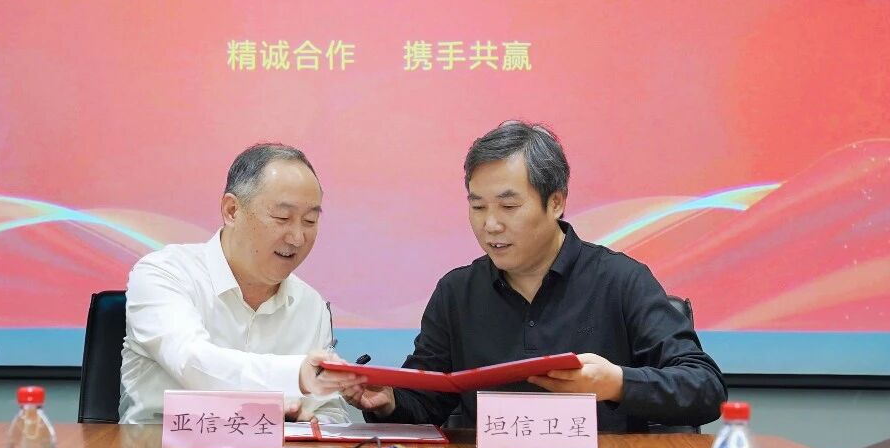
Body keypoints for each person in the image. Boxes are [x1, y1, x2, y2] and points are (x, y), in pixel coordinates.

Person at [344, 121, 726, 431]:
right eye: (478, 207)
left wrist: (616, 383)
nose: (490, 225)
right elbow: (426, 403)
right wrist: (389, 401)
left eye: (509, 206)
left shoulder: (621, 281)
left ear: (556, 202)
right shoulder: (456, 293)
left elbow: (705, 387)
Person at [119, 143, 363, 424]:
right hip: (157, 447)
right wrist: (296, 375)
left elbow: (329, 412)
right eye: (282, 218)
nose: (297, 237)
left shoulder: (311, 305)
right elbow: (191, 361)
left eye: (309, 221)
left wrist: (309, 423)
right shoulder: (164, 273)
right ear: (232, 210)